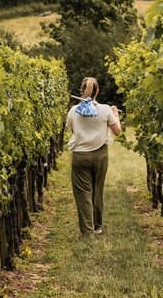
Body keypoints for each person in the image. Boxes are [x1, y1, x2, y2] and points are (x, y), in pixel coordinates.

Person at [66, 76, 121, 236]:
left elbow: (72, 130)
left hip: (80, 156)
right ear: (97, 91)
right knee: (97, 190)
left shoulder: (73, 111)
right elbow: (117, 131)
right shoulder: (105, 109)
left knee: (83, 193)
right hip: (100, 155)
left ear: (82, 91)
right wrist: (115, 113)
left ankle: (88, 232)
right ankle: (98, 226)